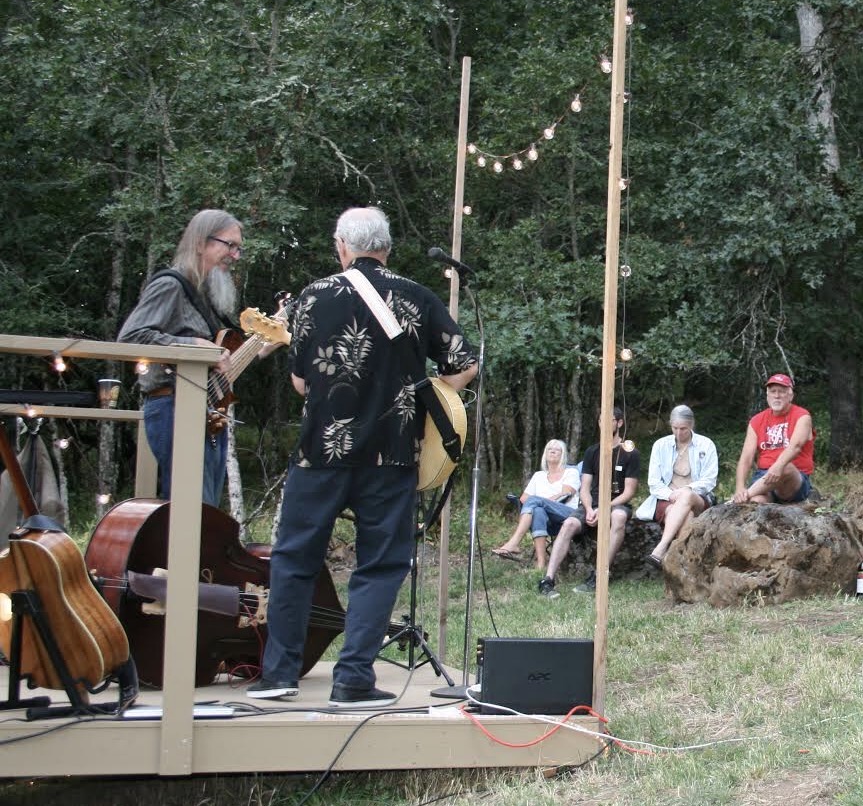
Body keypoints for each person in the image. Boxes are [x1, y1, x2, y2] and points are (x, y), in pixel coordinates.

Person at [249, 208, 477, 706]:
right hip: (392, 453)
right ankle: (352, 679)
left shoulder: (314, 296)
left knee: (293, 559)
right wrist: (431, 397)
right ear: (387, 248)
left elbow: (301, 381)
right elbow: (464, 363)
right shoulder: (417, 296)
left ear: (341, 246)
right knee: (381, 563)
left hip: (320, 452)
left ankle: (278, 675)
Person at [116, 209, 246, 507]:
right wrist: (191, 344)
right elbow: (130, 338)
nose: (235, 255)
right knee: (189, 509)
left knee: (205, 512)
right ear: (201, 243)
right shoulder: (169, 285)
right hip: (174, 408)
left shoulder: (204, 295)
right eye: (230, 245)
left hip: (206, 412)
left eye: (238, 248)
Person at [539, 408, 642, 597]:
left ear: (619, 423)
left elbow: (629, 491)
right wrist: (588, 508)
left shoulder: (630, 452)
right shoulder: (592, 451)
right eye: (601, 420)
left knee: (618, 517)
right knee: (569, 523)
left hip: (615, 504)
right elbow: (584, 487)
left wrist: (605, 508)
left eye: (609, 420)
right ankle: (548, 579)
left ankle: (599, 575)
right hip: (591, 504)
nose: (604, 424)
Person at [637, 405, 719, 565]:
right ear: (670, 425)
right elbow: (653, 482)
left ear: (691, 425)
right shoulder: (660, 445)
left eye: (683, 429)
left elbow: (709, 480)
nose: (679, 433)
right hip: (667, 498)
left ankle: (661, 547)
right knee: (686, 515)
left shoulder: (706, 444)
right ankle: (685, 565)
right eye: (675, 428)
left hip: (698, 498)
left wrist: (685, 491)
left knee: (687, 495)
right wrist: (670, 495)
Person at [492, 439, 580, 570]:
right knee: (538, 511)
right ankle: (541, 564)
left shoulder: (571, 472)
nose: (553, 451)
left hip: (567, 515)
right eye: (550, 448)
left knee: (535, 502)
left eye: (557, 449)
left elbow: (566, 493)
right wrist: (540, 503)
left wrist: (542, 501)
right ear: (545, 453)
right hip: (546, 520)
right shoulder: (538, 476)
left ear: (563, 455)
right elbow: (523, 499)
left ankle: (514, 543)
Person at [732, 373, 815, 504]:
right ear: (767, 395)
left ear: (790, 395)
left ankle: (741, 498)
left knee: (786, 467)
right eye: (773, 391)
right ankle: (747, 496)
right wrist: (739, 487)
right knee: (756, 501)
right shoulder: (756, 420)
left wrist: (778, 466)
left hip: (793, 479)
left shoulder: (802, 416)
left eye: (781, 392)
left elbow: (796, 446)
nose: (776, 396)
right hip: (763, 478)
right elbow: (746, 457)